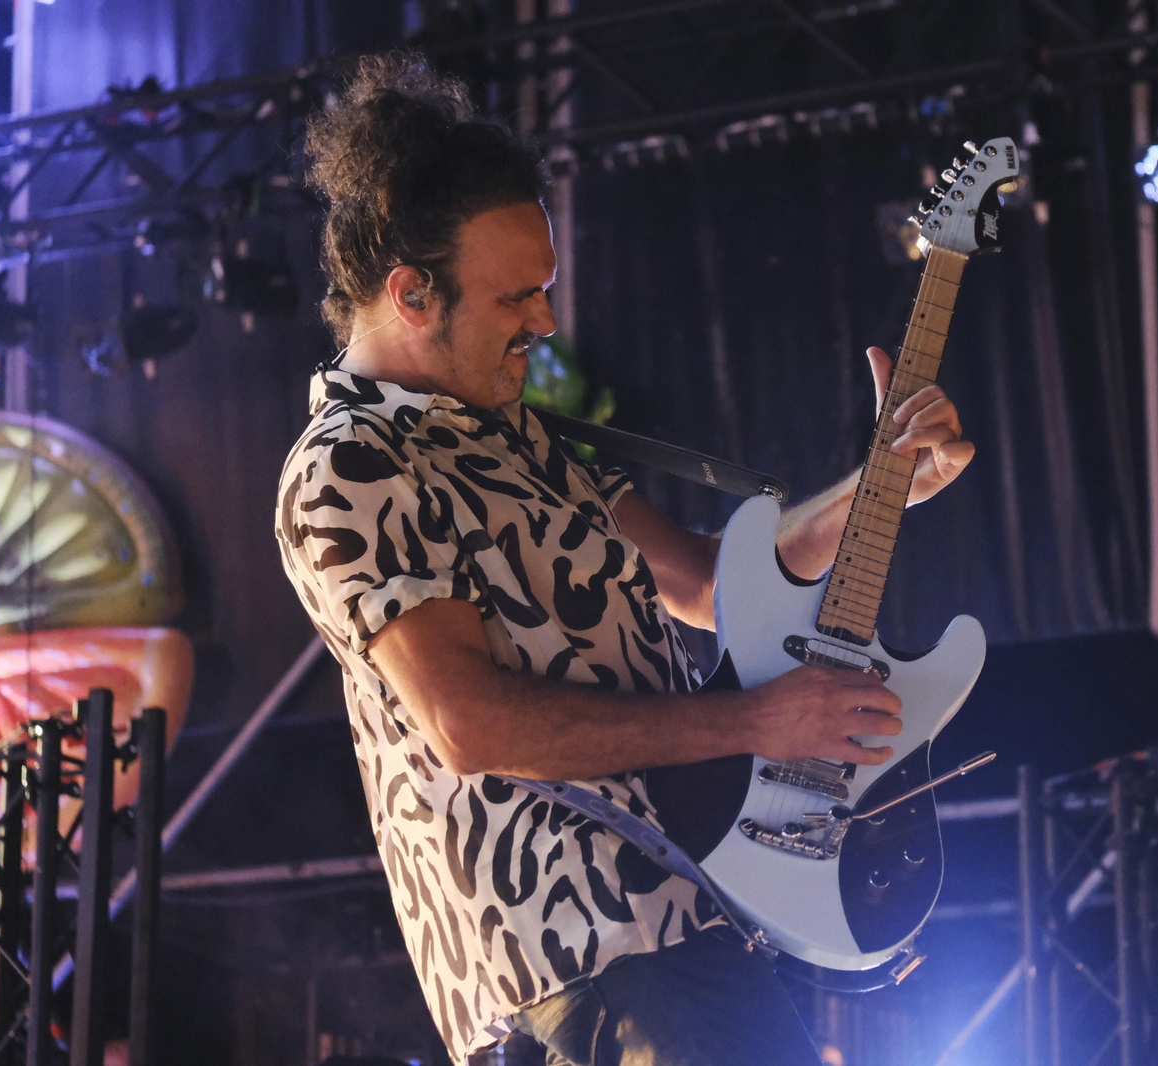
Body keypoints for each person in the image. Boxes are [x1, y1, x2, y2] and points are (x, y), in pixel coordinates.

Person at [275, 55, 975, 1066]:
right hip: (571, 946)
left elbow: (698, 581)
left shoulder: (510, 435)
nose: (546, 322)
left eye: (546, 289)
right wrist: (761, 719)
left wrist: (884, 485)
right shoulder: (347, 466)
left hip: (666, 913)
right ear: (410, 293)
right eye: (518, 295)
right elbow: (469, 725)